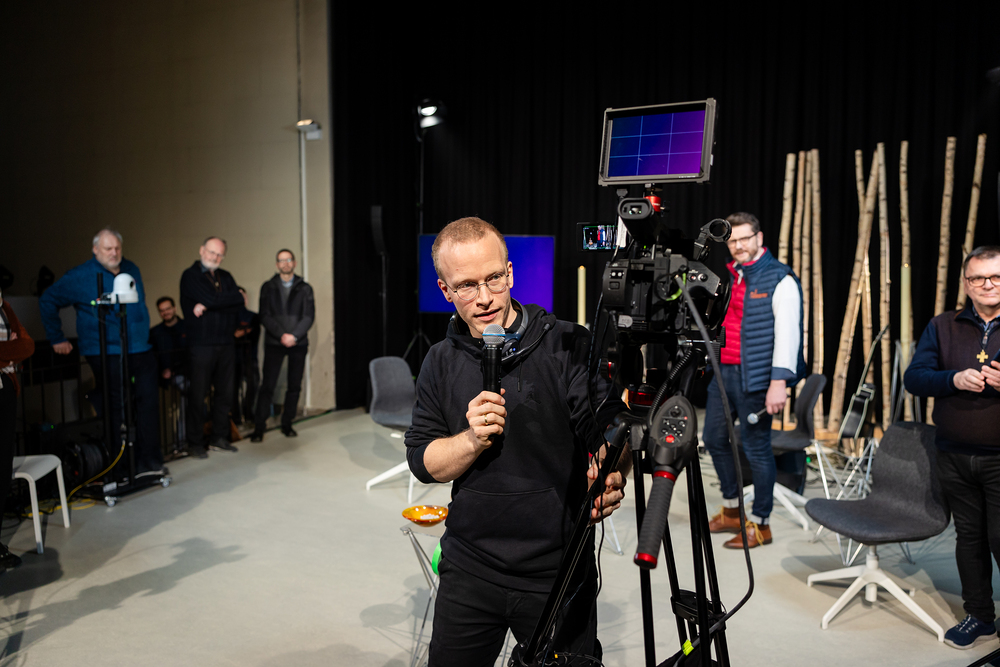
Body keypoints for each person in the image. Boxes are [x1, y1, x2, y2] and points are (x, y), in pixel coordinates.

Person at [404, 217, 628, 666]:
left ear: (509, 273)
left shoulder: (567, 344)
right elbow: (422, 461)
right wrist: (471, 440)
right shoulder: (439, 361)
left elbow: (607, 434)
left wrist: (612, 465)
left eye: (493, 278)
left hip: (558, 569)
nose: (485, 297)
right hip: (469, 565)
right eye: (466, 286)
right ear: (445, 291)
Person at [904, 245, 1000, 652]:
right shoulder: (942, 325)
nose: (987, 284)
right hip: (953, 454)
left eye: (996, 276)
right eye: (978, 277)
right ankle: (980, 617)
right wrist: (953, 379)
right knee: (969, 539)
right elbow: (914, 378)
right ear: (966, 283)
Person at [703, 212, 805, 549]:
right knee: (713, 438)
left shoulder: (780, 278)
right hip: (724, 373)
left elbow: (789, 336)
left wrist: (779, 382)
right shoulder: (733, 276)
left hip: (758, 378)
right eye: (732, 240)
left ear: (759, 238)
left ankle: (761, 523)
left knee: (756, 449)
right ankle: (733, 509)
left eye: (744, 238)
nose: (738, 245)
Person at [39, 229, 164, 476]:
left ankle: (149, 461)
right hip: (105, 350)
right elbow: (48, 300)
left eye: (117, 248)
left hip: (139, 348)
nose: (114, 253)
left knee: (148, 403)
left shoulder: (131, 268)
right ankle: (119, 466)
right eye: (108, 248)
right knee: (115, 407)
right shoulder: (80, 275)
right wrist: (57, 337)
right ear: (95, 249)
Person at [179, 237, 243, 458]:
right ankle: (195, 443)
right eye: (211, 252)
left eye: (219, 254)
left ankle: (219, 437)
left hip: (226, 343)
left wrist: (210, 304)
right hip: (201, 344)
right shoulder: (190, 276)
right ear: (201, 250)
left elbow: (238, 301)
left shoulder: (226, 276)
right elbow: (221, 299)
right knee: (198, 394)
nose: (215, 257)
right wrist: (221, 300)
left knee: (225, 393)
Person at [251, 249, 314, 441]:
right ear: (277, 264)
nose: (285, 263)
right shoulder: (267, 287)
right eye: (281, 260)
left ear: (294, 263)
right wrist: (282, 335)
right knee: (267, 386)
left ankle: (287, 424)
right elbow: (264, 315)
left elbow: (308, 316)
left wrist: (294, 336)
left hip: (298, 342)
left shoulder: (305, 288)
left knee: (294, 386)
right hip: (274, 342)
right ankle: (259, 427)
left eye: (289, 259)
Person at [1, 289, 34, 572]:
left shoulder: (5, 306)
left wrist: (8, 351)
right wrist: (7, 353)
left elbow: (27, 346)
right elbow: (16, 349)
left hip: (5, 391)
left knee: (2, 471)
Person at [149, 296, 190, 447]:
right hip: (169, 377)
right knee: (191, 396)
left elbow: (191, 354)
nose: (165, 312)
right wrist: (163, 372)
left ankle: (184, 440)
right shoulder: (155, 333)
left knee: (192, 398)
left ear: (174, 308)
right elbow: (154, 358)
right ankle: (181, 441)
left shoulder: (187, 327)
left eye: (168, 309)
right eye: (162, 311)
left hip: (188, 372)